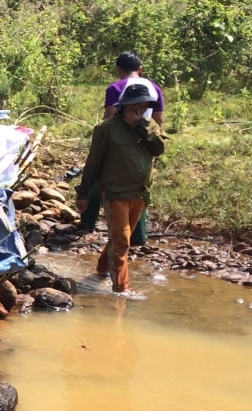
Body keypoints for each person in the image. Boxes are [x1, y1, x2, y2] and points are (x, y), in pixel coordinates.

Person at [75, 83, 165, 295]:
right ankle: (121, 290)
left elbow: (160, 148)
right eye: (136, 104)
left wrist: (141, 127)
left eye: (144, 105)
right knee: (122, 240)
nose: (140, 108)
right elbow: (93, 163)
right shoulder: (106, 129)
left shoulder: (149, 125)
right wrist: (83, 193)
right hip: (116, 194)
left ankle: (103, 268)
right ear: (124, 106)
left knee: (120, 238)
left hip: (140, 194)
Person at [79, 51, 165, 244]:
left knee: (101, 182)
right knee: (139, 186)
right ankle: (137, 237)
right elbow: (158, 121)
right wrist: (148, 133)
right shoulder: (154, 88)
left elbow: (110, 116)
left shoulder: (115, 87)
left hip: (120, 143)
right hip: (145, 143)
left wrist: (105, 136)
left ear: (119, 70)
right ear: (140, 69)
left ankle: (88, 220)